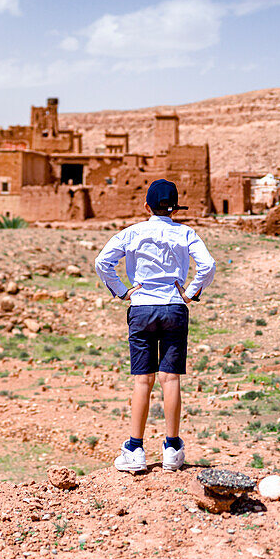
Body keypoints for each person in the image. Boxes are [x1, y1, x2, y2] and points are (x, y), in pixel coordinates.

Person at [94, 179, 216, 473]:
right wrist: (191, 292)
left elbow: (102, 262)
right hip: (174, 306)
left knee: (142, 380)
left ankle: (135, 449)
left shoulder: (132, 233)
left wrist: (122, 291)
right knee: (170, 379)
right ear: (174, 208)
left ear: (146, 206)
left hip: (142, 308)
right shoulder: (186, 233)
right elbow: (208, 265)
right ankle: (172, 448)